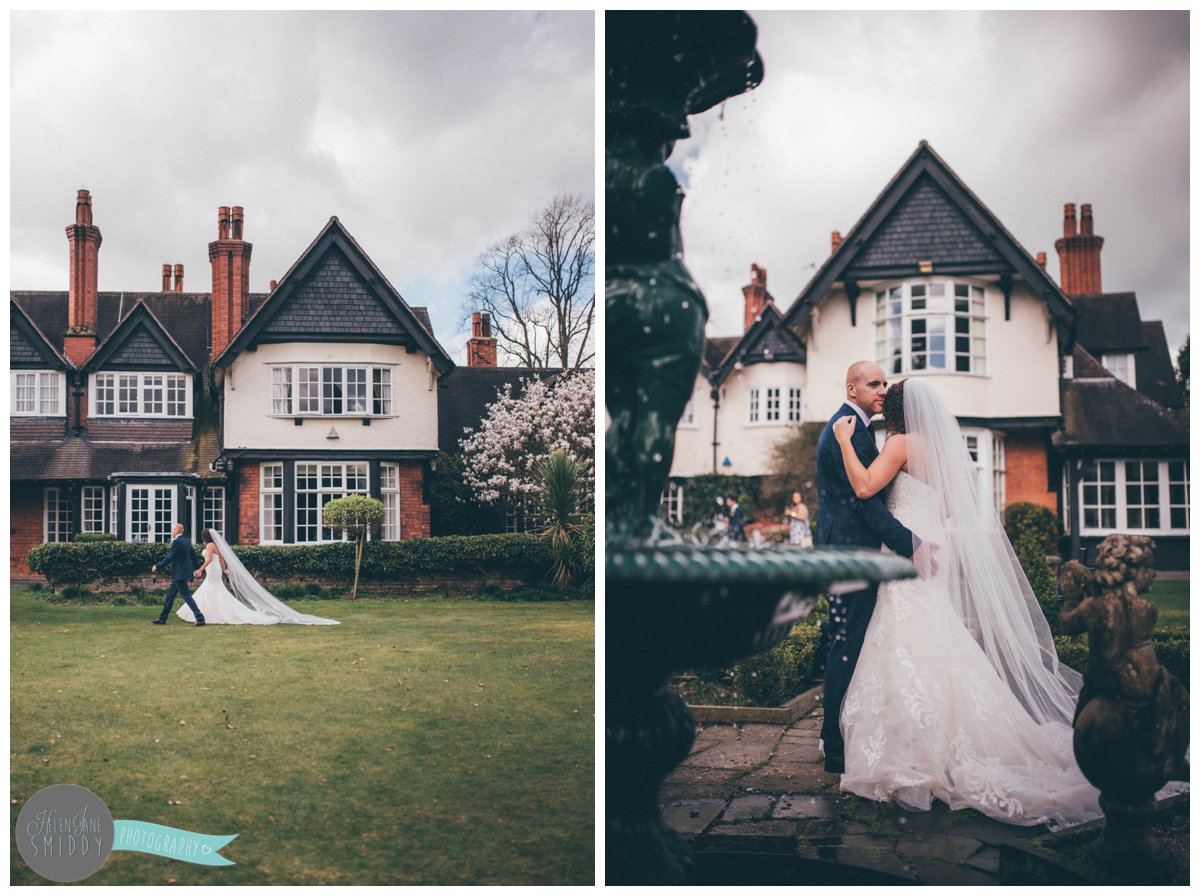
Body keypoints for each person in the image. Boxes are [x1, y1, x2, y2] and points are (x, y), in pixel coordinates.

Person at [830, 377, 1101, 827]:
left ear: (895, 411)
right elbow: (952, 508)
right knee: (933, 632)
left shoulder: (899, 443)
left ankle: (914, 751)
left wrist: (844, 442)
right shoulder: (937, 451)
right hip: (933, 543)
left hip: (908, 553)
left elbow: (863, 488)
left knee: (904, 638)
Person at [814, 361, 932, 774]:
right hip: (850, 554)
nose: (882, 390)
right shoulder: (845, 429)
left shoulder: (859, 430)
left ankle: (842, 734)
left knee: (851, 644)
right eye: (873, 384)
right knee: (845, 647)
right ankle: (835, 746)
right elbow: (864, 501)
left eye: (885, 384)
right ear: (851, 389)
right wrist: (910, 544)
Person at [176, 530, 339, 626]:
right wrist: (224, 569)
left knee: (212, 590)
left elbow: (210, 559)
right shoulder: (215, 545)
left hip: (211, 570)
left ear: (204, 537)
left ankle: (207, 614)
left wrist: (199, 569)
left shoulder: (210, 546)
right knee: (213, 590)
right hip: (215, 570)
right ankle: (204, 613)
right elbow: (221, 559)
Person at [151, 523, 205, 626]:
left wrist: (157, 566)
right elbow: (194, 556)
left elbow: (169, 557)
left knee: (187, 596)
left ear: (176, 531)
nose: (172, 532)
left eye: (173, 530)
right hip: (180, 574)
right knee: (170, 596)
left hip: (179, 574)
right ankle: (162, 618)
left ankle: (200, 618)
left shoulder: (176, 542)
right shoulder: (186, 541)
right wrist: (197, 569)